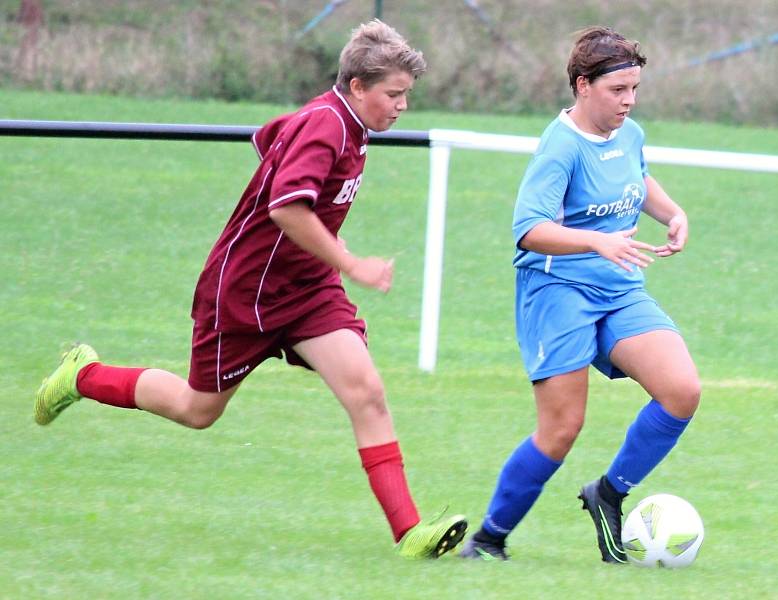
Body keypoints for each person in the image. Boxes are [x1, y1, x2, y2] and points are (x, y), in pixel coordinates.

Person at [34, 19, 467, 559]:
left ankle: (410, 534)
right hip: (244, 295)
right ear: (358, 86)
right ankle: (84, 375)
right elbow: (286, 207)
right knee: (198, 410)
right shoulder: (327, 126)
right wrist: (351, 261)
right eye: (394, 95)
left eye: (406, 95)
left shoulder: (339, 122)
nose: (402, 106)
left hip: (307, 292)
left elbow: (268, 136)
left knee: (366, 391)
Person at [459, 26, 700, 562]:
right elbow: (528, 229)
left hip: (618, 288)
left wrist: (673, 213)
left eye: (635, 89)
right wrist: (597, 242)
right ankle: (489, 539)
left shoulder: (628, 133)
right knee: (562, 429)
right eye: (618, 91)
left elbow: (638, 177)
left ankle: (608, 495)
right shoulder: (560, 146)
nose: (629, 101)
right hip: (557, 289)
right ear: (582, 85)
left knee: (681, 390)